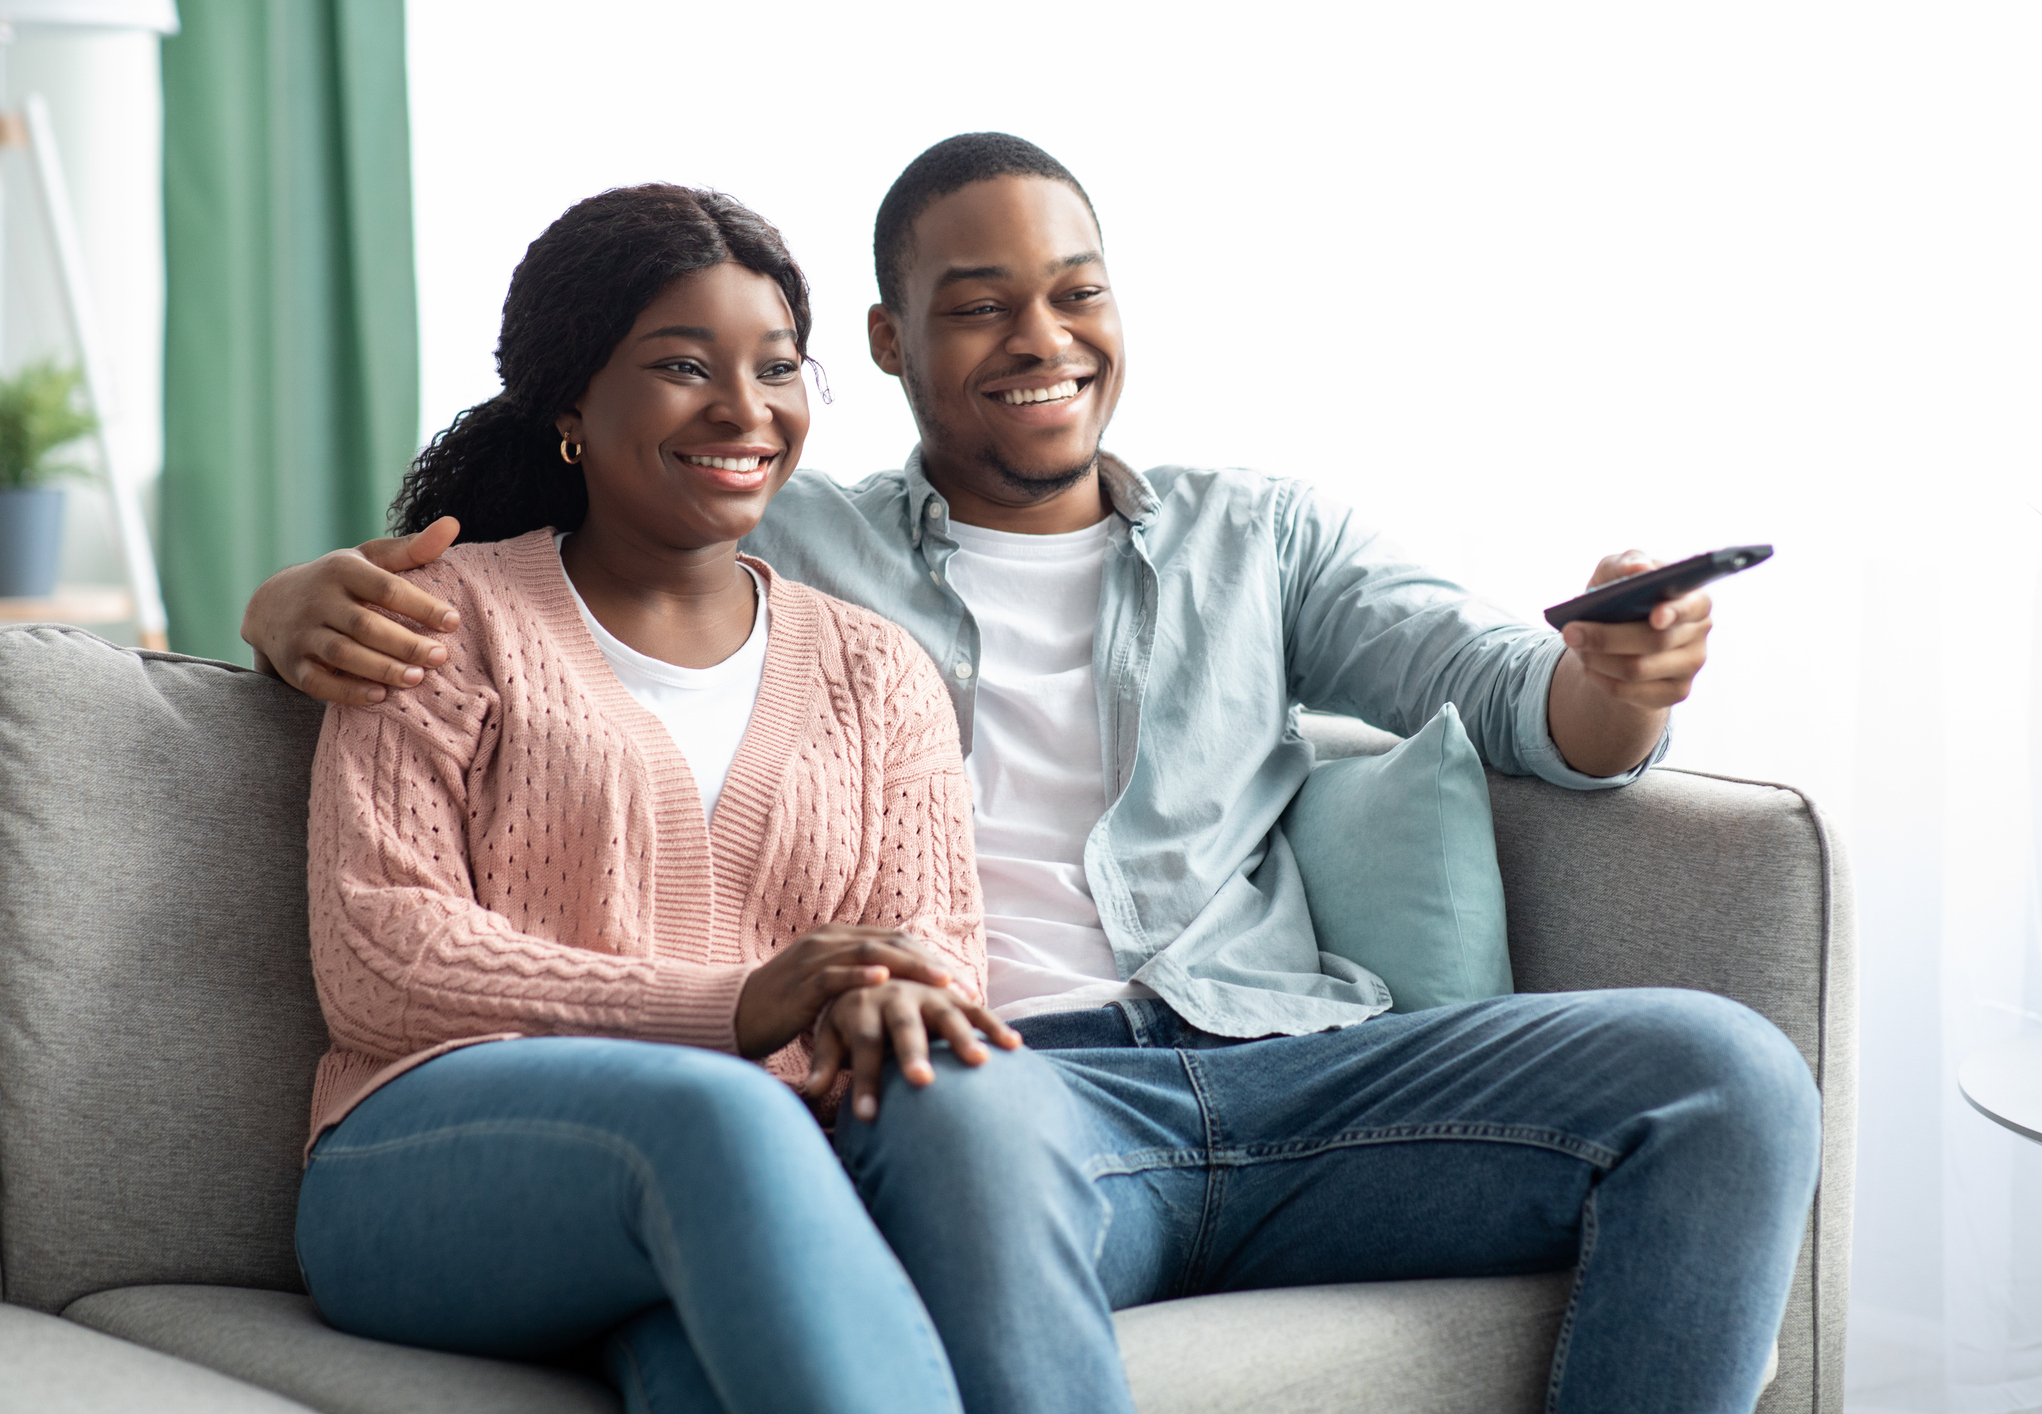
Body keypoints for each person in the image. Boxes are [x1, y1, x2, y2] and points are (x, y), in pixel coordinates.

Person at [252, 137, 1822, 1414]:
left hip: (1289, 1055)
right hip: (999, 1088)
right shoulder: (776, 542)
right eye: (980, 303)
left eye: (1075, 292)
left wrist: (1618, 676)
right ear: (892, 341)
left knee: (1726, 1070)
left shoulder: (1222, 544)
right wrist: (274, 613)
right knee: (908, 1116)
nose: (1042, 340)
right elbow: (531, 605)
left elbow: (1516, 704)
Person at [294, 182, 1019, 1414]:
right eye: (686, 366)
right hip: (423, 1167)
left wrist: (883, 998)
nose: (745, 409)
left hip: (742, 1185)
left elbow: (933, 960)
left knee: (714, 1364)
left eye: (778, 367)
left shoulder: (878, 671)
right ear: (574, 400)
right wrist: (730, 1004)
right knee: (714, 1117)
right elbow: (380, 952)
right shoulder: (438, 614)